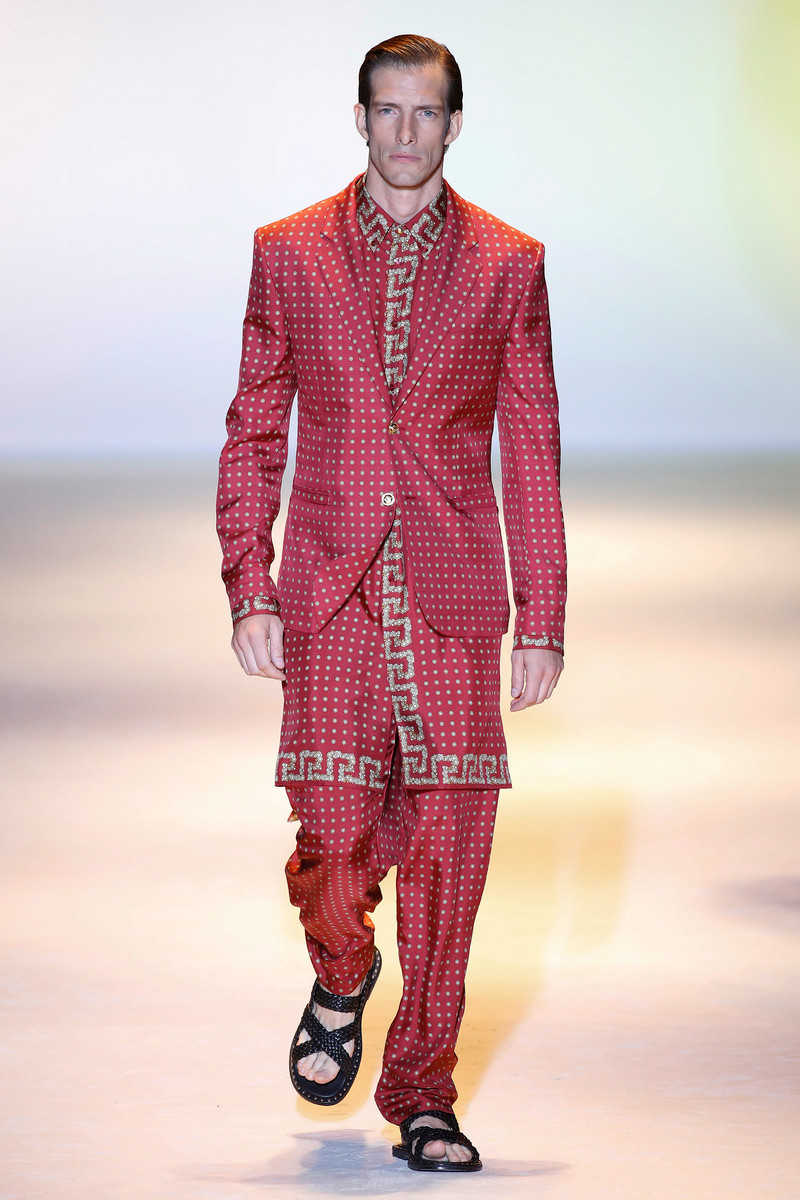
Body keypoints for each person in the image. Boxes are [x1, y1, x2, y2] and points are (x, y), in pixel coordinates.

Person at [216, 32, 566, 1173]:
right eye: (387, 110)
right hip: (330, 586)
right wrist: (249, 581)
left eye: (426, 113)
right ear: (359, 117)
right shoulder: (288, 252)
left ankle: (423, 1093)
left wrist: (542, 614)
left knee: (452, 852)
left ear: (454, 124)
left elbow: (532, 447)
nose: (405, 132)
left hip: (455, 593)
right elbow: (254, 426)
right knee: (331, 832)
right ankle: (342, 970)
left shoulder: (509, 263)